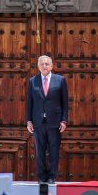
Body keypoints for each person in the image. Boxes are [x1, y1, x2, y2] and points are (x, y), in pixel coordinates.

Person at [27, 55, 69, 183]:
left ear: (51, 66)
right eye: (42, 64)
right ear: (38, 66)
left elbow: (64, 102)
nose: (44, 66)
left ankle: (51, 176)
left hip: (55, 121)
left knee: (54, 149)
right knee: (40, 150)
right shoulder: (32, 81)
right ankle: (41, 176)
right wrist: (29, 121)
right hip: (38, 121)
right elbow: (30, 102)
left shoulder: (60, 80)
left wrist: (64, 120)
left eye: (47, 64)